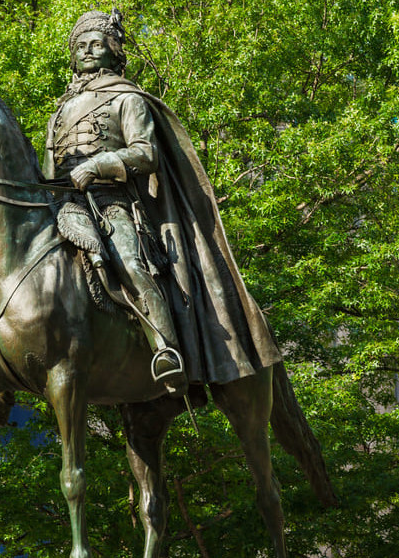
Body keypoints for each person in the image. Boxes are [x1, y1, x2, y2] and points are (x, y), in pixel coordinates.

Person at [43, 10, 283, 392]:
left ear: (113, 51)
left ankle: (164, 346)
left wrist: (100, 164)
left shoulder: (126, 98)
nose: (87, 51)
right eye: (80, 46)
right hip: (62, 204)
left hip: (111, 202)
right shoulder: (60, 110)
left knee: (129, 261)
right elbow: (49, 166)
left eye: (96, 44)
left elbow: (145, 153)